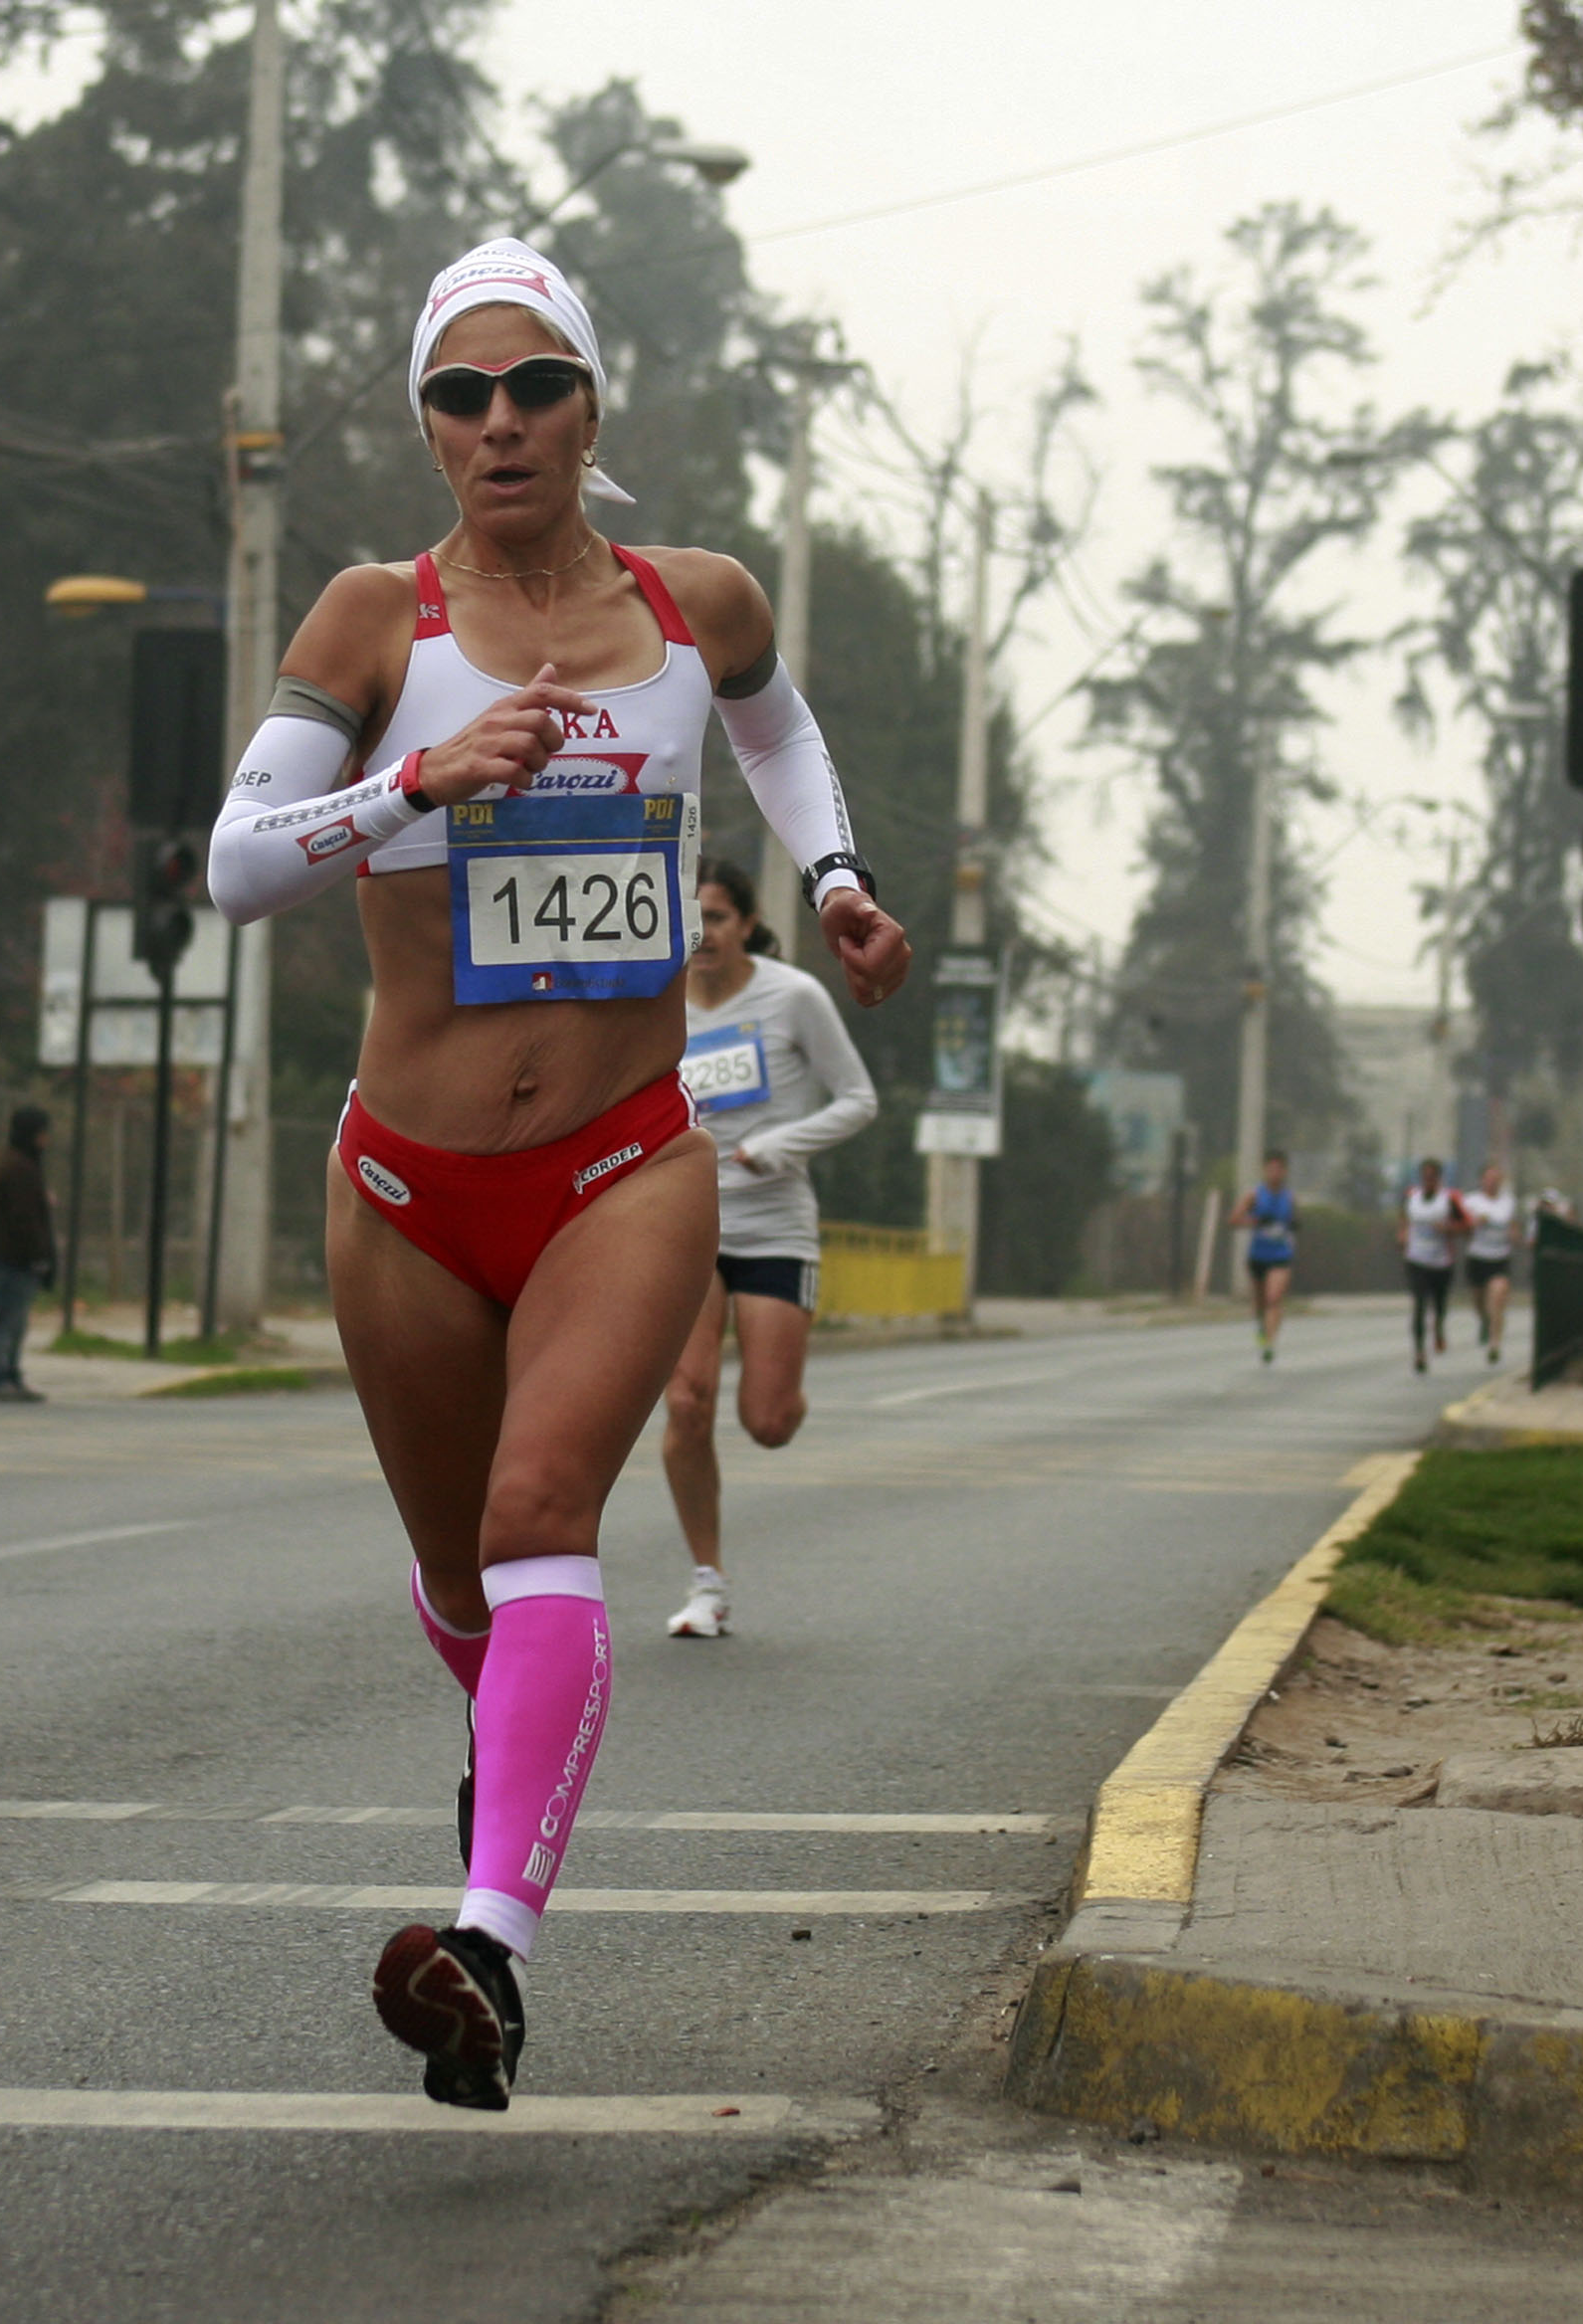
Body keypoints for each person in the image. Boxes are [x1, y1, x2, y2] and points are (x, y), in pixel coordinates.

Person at [205, 237, 907, 2110]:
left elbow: (775, 728)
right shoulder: (376, 620)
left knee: (539, 1515)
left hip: (625, 1157)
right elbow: (237, 862)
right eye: (461, 393)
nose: (500, 421)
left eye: (536, 387)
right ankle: (506, 1776)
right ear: (428, 426)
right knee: (460, 1572)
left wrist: (836, 879)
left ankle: (490, 1947)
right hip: (407, 1187)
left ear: (593, 407)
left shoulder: (695, 602)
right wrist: (413, 787)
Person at [658, 858, 876, 1641]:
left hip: (774, 1223)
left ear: (746, 924)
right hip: (684, 1224)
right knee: (687, 1400)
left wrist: (782, 1145)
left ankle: (785, 1384)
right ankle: (706, 1583)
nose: (703, 934)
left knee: (768, 1420)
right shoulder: (654, 1002)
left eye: (716, 917)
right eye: (690, 918)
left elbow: (859, 1100)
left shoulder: (794, 997)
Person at [0, 1104, 58, 1402]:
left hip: (13, 1256)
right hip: (15, 1257)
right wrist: (38, 1255)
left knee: (16, 1320)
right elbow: (23, 1218)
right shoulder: (19, 1168)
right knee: (9, 1319)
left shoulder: (18, 1164)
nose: (46, 1139)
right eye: (43, 1133)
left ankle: (9, 1373)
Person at [1228, 1151, 1297, 1365]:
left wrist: (1293, 1225)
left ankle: (1269, 1343)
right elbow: (1233, 1220)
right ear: (1265, 1170)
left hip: (1281, 1255)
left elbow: (1293, 1221)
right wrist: (1256, 1221)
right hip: (1258, 1255)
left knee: (1274, 1298)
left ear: (1285, 1171)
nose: (1274, 1173)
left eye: (1279, 1169)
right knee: (1260, 1303)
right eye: (1270, 1169)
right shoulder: (1254, 1195)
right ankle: (1261, 1326)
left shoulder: (1289, 1197)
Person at [1401, 1156, 1467, 1373]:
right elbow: (1404, 1219)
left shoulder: (1450, 1199)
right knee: (1419, 1305)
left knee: (1439, 1305)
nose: (1428, 1181)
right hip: (1416, 1259)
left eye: (1432, 1177)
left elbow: (1467, 1226)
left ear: (1439, 1178)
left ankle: (1438, 1328)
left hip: (1441, 1262)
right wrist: (1402, 1234)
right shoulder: (1411, 1197)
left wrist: (1448, 1229)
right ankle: (1420, 1352)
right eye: (1425, 1177)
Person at [1458, 1160, 1521, 1366]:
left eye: (1496, 1179)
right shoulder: (1471, 1202)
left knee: (1498, 1297)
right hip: (1477, 1257)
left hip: (1499, 1257)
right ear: (1482, 1180)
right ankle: (1484, 1320)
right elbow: (1462, 1230)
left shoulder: (1508, 1202)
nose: (1493, 1183)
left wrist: (1514, 1236)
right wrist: (1475, 1223)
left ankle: (1495, 1344)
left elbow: (1514, 1228)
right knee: (1479, 1301)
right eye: (1489, 1179)